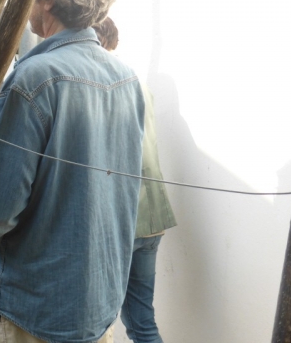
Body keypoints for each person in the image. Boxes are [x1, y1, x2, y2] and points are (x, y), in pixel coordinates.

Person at [0, 0, 145, 343]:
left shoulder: (33, 80)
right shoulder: (126, 78)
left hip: (40, 308)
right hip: (99, 302)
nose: (23, 2)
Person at [93, 17, 177, 343]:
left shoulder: (100, 83)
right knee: (142, 321)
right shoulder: (138, 81)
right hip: (152, 216)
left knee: (95, 322)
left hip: (120, 219)